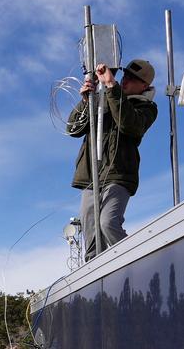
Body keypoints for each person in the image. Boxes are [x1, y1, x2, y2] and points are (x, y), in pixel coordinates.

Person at [67, 58, 158, 261]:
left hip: (118, 175)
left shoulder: (146, 107)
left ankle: (135, 261)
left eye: (133, 79)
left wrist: (111, 86)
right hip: (91, 176)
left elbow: (130, 125)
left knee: (108, 223)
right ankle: (95, 278)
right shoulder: (103, 99)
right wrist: (85, 102)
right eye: (125, 76)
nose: (126, 80)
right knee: (90, 234)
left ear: (145, 86)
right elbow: (72, 129)